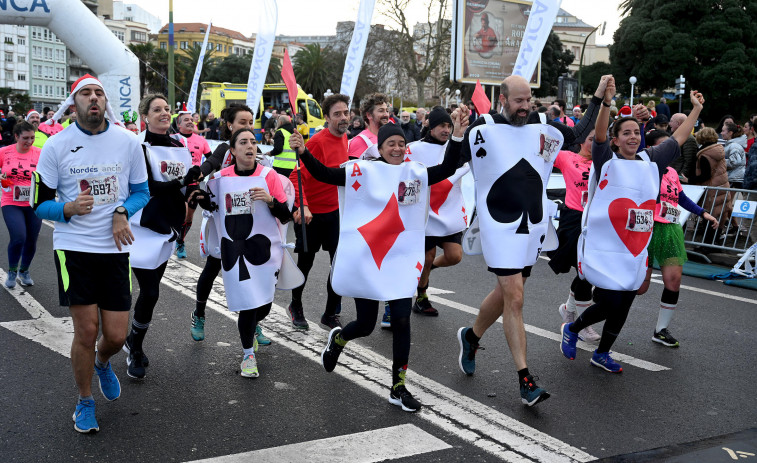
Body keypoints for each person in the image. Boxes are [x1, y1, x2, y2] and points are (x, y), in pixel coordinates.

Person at [290, 106, 469, 413]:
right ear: (381, 147)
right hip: (368, 258)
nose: (397, 148)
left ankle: (398, 387)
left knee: (401, 319)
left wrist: (458, 135)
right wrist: (304, 152)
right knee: (365, 324)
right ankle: (339, 340)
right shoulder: (362, 170)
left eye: (401, 143)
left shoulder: (415, 173)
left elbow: (449, 166)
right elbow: (324, 174)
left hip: (400, 259)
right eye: (391, 144)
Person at [456, 74, 605, 407]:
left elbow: (579, 134)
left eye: (529, 101)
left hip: (531, 225)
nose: (525, 107)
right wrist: (454, 135)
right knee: (517, 299)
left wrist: (597, 97)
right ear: (503, 100)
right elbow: (453, 159)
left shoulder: (543, 125)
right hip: (497, 224)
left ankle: (471, 336)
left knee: (509, 293)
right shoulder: (484, 127)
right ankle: (525, 380)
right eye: (518, 101)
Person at [31, 74, 150, 433]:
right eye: (86, 93)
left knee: (115, 335)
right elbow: (39, 205)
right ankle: (84, 401)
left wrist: (121, 212)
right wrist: (67, 209)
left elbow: (142, 191)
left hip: (114, 248)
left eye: (99, 92)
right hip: (74, 249)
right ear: (74, 102)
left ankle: (102, 362)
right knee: (86, 330)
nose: (94, 98)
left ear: (105, 101)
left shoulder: (128, 142)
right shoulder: (56, 146)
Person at [560, 87, 704, 374]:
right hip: (606, 245)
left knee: (625, 300)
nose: (633, 137)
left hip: (635, 246)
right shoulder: (605, 160)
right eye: (626, 133)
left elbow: (679, 138)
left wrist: (696, 109)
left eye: (636, 132)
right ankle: (573, 328)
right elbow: (599, 134)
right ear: (615, 139)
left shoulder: (651, 160)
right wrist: (606, 104)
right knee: (610, 299)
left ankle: (602, 353)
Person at [121, 95, 201, 379]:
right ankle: (136, 348)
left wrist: (195, 190)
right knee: (151, 291)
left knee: (150, 293)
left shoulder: (179, 145)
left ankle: (133, 340)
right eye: (158, 110)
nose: (165, 113)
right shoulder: (138, 146)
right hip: (142, 227)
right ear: (145, 116)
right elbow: (149, 187)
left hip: (169, 228)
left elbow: (186, 185)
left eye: (167, 109)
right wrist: (181, 181)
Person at [202, 128, 291, 377]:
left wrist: (271, 200)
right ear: (233, 150)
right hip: (234, 250)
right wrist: (199, 198)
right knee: (248, 305)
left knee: (262, 306)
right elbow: (208, 207)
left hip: (264, 251)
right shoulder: (219, 178)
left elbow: (285, 215)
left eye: (253, 142)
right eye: (243, 142)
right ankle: (247, 356)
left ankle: (251, 331)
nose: (250, 146)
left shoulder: (269, 176)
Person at [192, 105, 272, 348]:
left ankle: (253, 320)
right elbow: (212, 163)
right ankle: (199, 313)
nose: (248, 127)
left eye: (251, 122)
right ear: (230, 126)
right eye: (242, 122)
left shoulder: (259, 153)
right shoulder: (225, 149)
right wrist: (199, 172)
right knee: (214, 265)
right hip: (223, 218)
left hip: (250, 221)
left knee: (252, 270)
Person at [636, 130, 719, 348]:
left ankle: (660, 330)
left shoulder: (672, 171)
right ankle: (585, 301)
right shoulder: (644, 169)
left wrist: (703, 212)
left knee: (673, 281)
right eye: (664, 146)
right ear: (651, 150)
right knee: (638, 287)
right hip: (646, 228)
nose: (670, 151)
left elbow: (680, 197)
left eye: (671, 147)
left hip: (671, 229)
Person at [286, 94, 351, 330]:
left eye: (345, 112)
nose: (343, 118)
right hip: (311, 214)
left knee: (339, 264)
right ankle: (295, 305)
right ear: (326, 117)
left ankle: (330, 313)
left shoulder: (346, 139)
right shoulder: (317, 142)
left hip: (335, 214)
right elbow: (295, 176)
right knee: (306, 263)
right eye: (337, 114)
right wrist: (302, 205)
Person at [405, 107, 469, 319]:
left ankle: (427, 270)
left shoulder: (457, 147)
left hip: (450, 212)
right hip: (424, 213)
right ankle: (421, 298)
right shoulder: (414, 149)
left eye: (449, 126)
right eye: (442, 125)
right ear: (431, 127)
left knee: (454, 256)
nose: (446, 129)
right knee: (427, 255)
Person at [548, 130, 601, 343]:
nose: (595, 144)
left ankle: (569, 312)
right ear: (581, 141)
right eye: (591, 139)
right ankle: (582, 324)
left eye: (599, 140)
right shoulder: (568, 157)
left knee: (587, 273)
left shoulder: (605, 160)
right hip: (574, 220)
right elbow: (542, 149)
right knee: (584, 273)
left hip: (598, 221)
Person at [1, 121, 42, 288]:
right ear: (16, 136)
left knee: (31, 240)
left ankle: (23, 271)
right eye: (25, 138)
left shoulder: (40, 153)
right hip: (11, 201)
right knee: (19, 237)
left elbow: (49, 174)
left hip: (33, 203)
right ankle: (11, 271)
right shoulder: (5, 152)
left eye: (32, 137)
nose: (30, 141)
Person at [173, 111, 212, 259]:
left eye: (191, 119)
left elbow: (211, 159)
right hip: (176, 184)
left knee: (188, 218)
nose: (190, 122)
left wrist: (204, 172)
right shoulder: (172, 139)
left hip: (193, 184)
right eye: (186, 120)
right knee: (179, 214)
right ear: (179, 124)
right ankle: (171, 236)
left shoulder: (201, 140)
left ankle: (180, 241)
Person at [689, 127, 732, 240]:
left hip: (712, 190)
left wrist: (689, 180)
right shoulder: (718, 149)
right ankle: (714, 243)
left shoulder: (705, 154)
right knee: (720, 216)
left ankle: (707, 245)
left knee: (710, 217)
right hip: (722, 186)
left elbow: (705, 175)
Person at [347, 93, 390, 159]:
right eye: (381, 111)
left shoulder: (390, 137)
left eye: (387, 111)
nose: (386, 114)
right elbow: (353, 168)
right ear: (369, 115)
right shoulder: (359, 141)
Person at [667, 113, 698, 181]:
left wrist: (680, 178)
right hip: (671, 176)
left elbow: (689, 161)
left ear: (678, 124)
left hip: (678, 179)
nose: (669, 124)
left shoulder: (689, 139)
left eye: (671, 121)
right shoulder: (673, 136)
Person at [721, 122, 747, 189]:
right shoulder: (731, 144)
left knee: (728, 199)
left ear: (730, 133)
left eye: (723, 131)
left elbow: (734, 162)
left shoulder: (734, 145)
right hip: (734, 177)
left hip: (735, 179)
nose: (721, 133)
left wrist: (720, 161)